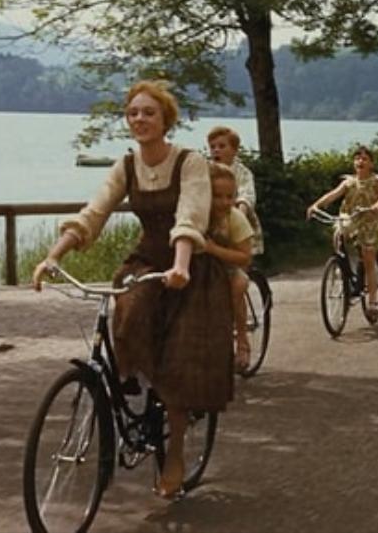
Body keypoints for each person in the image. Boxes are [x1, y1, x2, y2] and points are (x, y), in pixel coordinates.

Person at [30, 79, 233, 499]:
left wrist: (180, 266)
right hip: (146, 259)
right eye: (133, 113)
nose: (140, 119)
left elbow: (190, 216)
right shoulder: (126, 165)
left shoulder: (190, 162)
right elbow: (95, 211)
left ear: (166, 120)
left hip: (187, 264)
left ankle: (174, 451)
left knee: (178, 370)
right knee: (127, 308)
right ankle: (128, 381)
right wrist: (54, 255)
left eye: (149, 113)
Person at [306, 145, 378, 321]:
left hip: (370, 221)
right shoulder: (348, 182)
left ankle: (373, 301)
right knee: (338, 232)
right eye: (357, 158)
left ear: (371, 163)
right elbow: (333, 194)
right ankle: (340, 265)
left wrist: (377, 205)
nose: (360, 161)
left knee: (369, 257)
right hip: (351, 218)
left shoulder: (376, 181)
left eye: (364, 159)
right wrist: (316, 205)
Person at [202, 162, 255, 372]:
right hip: (199, 265)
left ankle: (241, 340)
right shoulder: (199, 213)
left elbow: (244, 257)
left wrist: (213, 249)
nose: (224, 202)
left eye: (229, 196)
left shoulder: (234, 218)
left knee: (238, 285)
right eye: (217, 196)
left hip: (227, 265)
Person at [206, 126, 263, 256]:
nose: (216, 150)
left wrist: (241, 211)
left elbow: (247, 194)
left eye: (221, 146)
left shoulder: (242, 172)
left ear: (234, 150)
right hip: (211, 218)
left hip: (235, 219)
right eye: (212, 147)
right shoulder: (205, 169)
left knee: (239, 256)